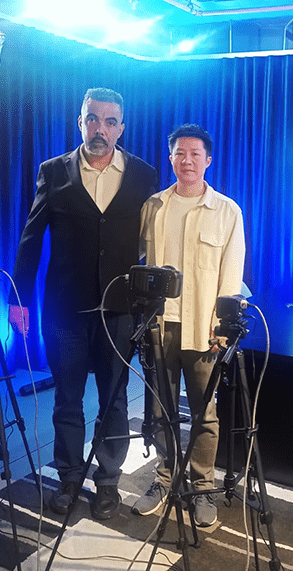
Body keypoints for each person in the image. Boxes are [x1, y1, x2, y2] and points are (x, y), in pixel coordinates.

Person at [8, 87, 158, 520]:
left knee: (114, 399)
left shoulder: (143, 175)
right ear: (80, 122)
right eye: (93, 119)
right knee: (67, 397)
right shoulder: (53, 172)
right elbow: (31, 239)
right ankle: (70, 475)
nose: (100, 129)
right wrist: (18, 300)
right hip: (64, 309)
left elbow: (152, 241)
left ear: (121, 128)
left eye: (110, 122)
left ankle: (107, 480)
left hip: (120, 310)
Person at [132, 124, 245, 527]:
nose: (187, 160)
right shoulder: (154, 206)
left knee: (204, 414)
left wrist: (223, 327)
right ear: (171, 158)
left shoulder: (227, 211)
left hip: (204, 330)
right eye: (180, 153)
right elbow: (137, 260)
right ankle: (164, 479)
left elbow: (231, 276)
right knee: (161, 410)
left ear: (208, 160)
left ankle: (202, 486)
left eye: (195, 154)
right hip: (160, 326)